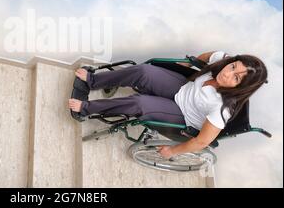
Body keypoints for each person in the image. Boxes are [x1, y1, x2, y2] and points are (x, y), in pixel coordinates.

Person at [68, 51, 268, 159]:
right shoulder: (223, 61)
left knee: (140, 103)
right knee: (144, 71)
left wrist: (173, 151)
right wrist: (192, 64)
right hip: (183, 90)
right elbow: (209, 56)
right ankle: (93, 80)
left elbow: (201, 142)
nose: (227, 73)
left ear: (241, 87)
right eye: (233, 67)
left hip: (183, 116)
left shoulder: (222, 108)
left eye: (235, 78)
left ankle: (86, 109)